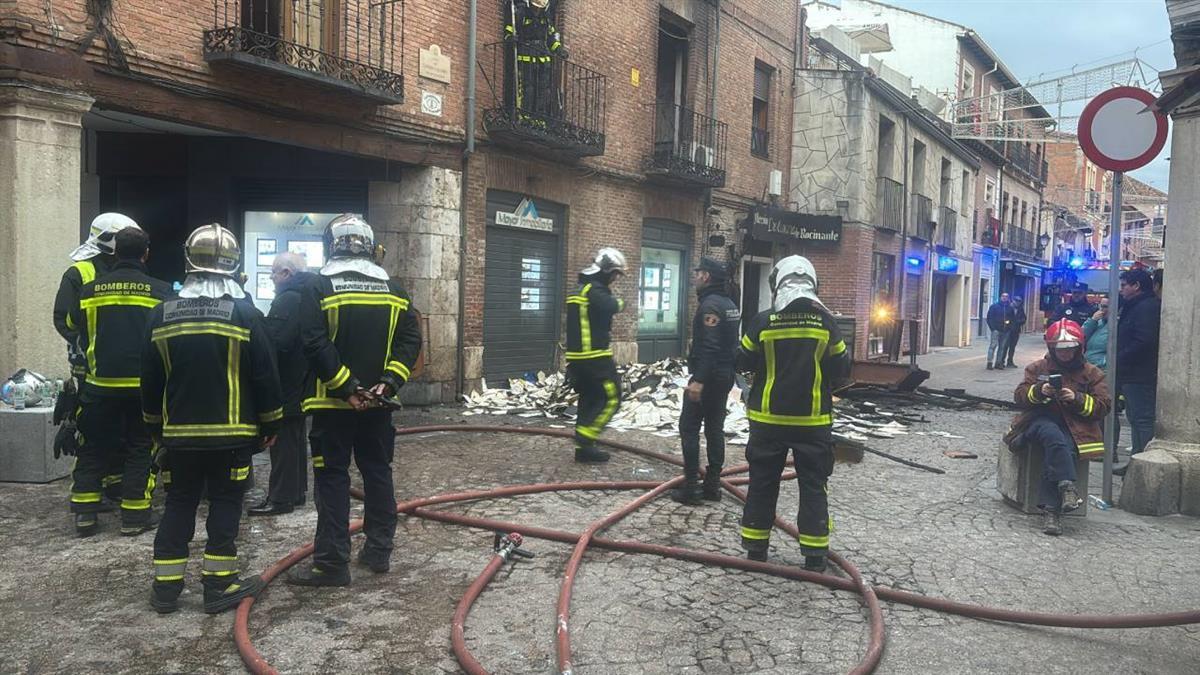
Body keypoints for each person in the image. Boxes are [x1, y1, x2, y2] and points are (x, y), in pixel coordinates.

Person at [141, 223, 283, 614]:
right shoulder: (246, 314)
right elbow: (265, 376)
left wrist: (155, 429)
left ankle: (165, 590)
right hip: (232, 436)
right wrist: (271, 425)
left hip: (178, 437)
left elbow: (150, 383)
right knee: (225, 503)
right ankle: (219, 586)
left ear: (188, 262)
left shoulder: (160, 316)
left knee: (179, 503)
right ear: (233, 265)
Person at [287, 215, 422, 587]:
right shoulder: (394, 290)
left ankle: (331, 563)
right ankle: (379, 551)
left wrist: (347, 388)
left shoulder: (318, 286)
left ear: (333, 245)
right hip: (378, 406)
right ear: (370, 245)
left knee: (332, 478)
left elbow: (314, 341)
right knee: (377, 471)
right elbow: (410, 342)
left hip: (332, 405)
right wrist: (387, 385)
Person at [736, 256, 850, 572]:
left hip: (767, 421)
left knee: (762, 481)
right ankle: (814, 556)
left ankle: (756, 548)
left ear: (777, 285)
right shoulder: (825, 323)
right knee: (813, 484)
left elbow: (742, 361)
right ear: (813, 284)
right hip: (812, 422)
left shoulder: (761, 322)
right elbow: (842, 368)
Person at [68, 227, 172, 537]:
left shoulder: (90, 290)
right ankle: (134, 517)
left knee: (93, 445)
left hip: (99, 386)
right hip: (143, 386)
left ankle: (85, 516)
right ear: (146, 253)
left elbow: (73, 325)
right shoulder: (161, 291)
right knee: (141, 448)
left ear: (113, 252)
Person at [52, 213, 142, 496]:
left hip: (116, 369)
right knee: (93, 432)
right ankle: (95, 489)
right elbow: (63, 319)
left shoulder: (120, 270)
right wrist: (91, 342)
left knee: (122, 432)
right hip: (89, 368)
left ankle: (111, 485)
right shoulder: (79, 273)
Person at [1011, 320, 1110, 536]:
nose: (1065, 354)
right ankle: (1066, 487)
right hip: (1036, 421)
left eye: (1069, 349)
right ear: (1051, 348)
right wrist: (1038, 391)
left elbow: (1103, 407)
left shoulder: (1092, 373)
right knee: (1053, 435)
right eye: (1060, 349)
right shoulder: (1038, 368)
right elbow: (1019, 398)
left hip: (1075, 426)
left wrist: (1077, 399)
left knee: (1062, 446)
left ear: (1079, 348)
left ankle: (1052, 513)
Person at [248, 252, 315, 517]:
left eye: (274, 272)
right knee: (295, 438)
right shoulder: (305, 295)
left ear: (287, 274)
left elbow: (277, 342)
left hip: (287, 380)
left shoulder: (287, 300)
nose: (271, 278)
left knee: (283, 439)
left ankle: (281, 498)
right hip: (300, 380)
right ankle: (296, 492)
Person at [671, 257, 740, 505]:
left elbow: (710, 347)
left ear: (706, 277)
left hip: (708, 377)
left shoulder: (710, 306)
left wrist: (698, 381)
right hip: (724, 376)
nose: (695, 276)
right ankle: (712, 486)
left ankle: (691, 488)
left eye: (698, 272)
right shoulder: (730, 304)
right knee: (714, 429)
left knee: (688, 428)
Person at [564, 248, 627, 464]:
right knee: (612, 398)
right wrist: (622, 303)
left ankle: (584, 449)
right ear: (607, 271)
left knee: (589, 399)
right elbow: (610, 305)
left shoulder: (579, 287)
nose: (615, 279)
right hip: (595, 358)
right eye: (615, 274)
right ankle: (586, 437)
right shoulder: (594, 290)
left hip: (577, 359)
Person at [1115, 268, 1161, 461]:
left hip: (1140, 375)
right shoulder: (1135, 305)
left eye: (1124, 285)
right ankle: (1135, 461)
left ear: (1136, 286)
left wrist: (1121, 356)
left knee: (1142, 420)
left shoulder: (1146, 307)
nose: (1121, 290)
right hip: (1131, 374)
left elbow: (1144, 340)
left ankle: (1143, 462)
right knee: (1134, 418)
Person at [504, 0, 568, 121]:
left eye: (540, 7)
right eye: (535, 7)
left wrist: (559, 49)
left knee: (542, 89)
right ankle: (524, 115)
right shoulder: (521, 14)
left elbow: (552, 38)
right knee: (528, 87)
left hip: (543, 58)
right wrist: (510, 37)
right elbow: (510, 29)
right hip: (526, 56)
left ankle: (539, 118)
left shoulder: (547, 19)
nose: (537, 10)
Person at [985, 292, 1013, 370]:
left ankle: (998, 363)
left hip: (1005, 331)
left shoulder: (1010, 308)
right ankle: (989, 362)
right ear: (1000, 297)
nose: (1004, 298)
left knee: (1002, 347)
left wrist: (1009, 328)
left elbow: (1012, 319)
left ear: (1008, 298)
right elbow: (989, 318)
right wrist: (993, 328)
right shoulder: (994, 307)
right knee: (993, 346)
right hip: (996, 330)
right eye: (1003, 296)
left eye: (1006, 296)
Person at [1004, 295, 1027, 368]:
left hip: (1016, 330)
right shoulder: (1008, 308)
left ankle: (1010, 361)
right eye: (1016, 301)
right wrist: (1007, 324)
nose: (1017, 303)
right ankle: (1001, 361)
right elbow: (1005, 318)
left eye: (1019, 302)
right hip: (1008, 330)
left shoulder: (1020, 309)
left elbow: (1024, 318)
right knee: (1005, 346)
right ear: (1013, 300)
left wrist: (1019, 322)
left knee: (1012, 347)